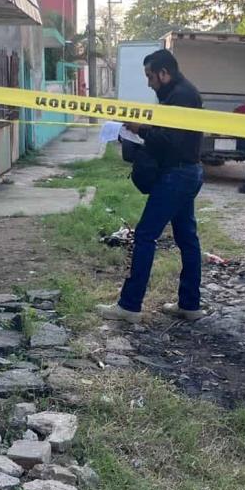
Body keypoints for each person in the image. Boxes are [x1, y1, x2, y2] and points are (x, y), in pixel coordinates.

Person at [97, 49, 205, 323]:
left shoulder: (181, 96)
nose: (149, 83)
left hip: (177, 175)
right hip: (186, 173)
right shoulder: (179, 93)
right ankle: (190, 305)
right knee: (187, 239)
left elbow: (171, 140)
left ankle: (129, 306)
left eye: (150, 76)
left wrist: (139, 129)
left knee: (145, 236)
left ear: (163, 73)